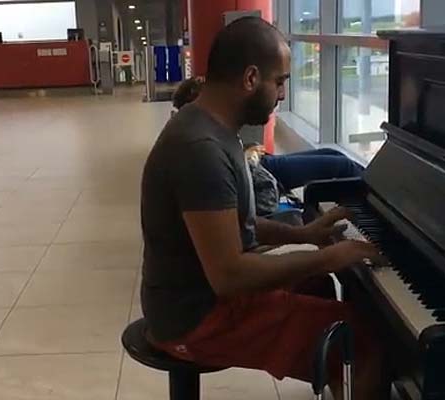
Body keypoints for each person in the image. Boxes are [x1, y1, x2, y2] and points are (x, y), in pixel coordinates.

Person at [141, 17, 389, 400]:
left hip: (202, 296)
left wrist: (303, 235)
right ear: (251, 78)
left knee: (319, 288)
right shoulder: (200, 150)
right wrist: (328, 257)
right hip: (192, 318)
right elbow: (230, 276)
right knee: (369, 339)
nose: (283, 95)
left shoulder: (215, 129)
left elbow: (233, 222)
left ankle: (336, 379)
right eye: (281, 82)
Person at [171, 77, 364, 192]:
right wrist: (250, 155)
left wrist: (248, 149)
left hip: (260, 164)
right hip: (263, 169)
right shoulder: (202, 140)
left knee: (333, 154)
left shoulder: (203, 128)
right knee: (342, 165)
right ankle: (381, 197)